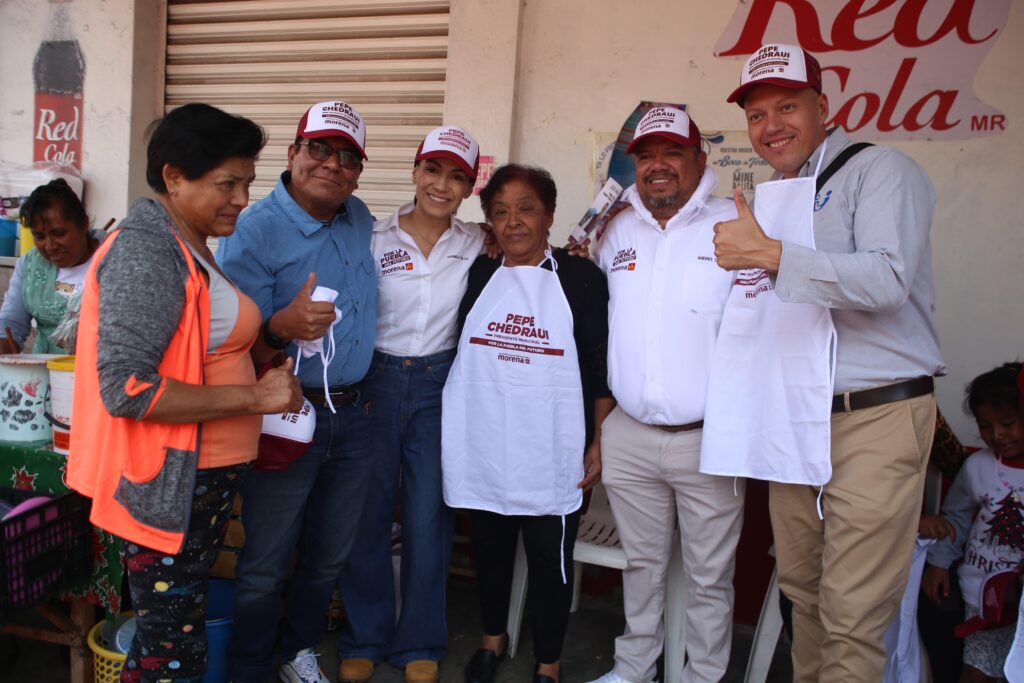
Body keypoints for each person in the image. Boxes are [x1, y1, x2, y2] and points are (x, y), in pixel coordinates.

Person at [713, 43, 944, 681]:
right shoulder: (776, 194)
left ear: (823, 107)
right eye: (757, 115)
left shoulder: (880, 170)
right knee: (803, 596)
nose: (771, 126)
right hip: (795, 414)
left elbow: (888, 280)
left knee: (853, 612)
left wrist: (772, 256)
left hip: (875, 413)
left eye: (787, 106)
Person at [65, 102, 303, 683]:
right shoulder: (148, 250)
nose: (242, 199)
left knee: (167, 639)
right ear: (174, 176)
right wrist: (255, 400)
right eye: (226, 183)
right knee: (171, 650)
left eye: (246, 182)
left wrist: (272, 346)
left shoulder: (189, 244)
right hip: (169, 482)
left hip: (200, 480)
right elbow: (127, 388)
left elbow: (206, 349)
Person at [217, 100, 378, 683]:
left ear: (358, 171)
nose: (332, 165)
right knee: (264, 559)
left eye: (347, 156)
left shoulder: (359, 215)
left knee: (328, 555)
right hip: (284, 412)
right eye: (319, 149)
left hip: (356, 411)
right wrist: (281, 324)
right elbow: (229, 340)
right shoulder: (253, 229)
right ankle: (252, 666)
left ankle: (296, 650)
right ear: (292, 154)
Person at [585, 106, 744, 683]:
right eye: (646, 155)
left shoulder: (732, 223)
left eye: (672, 153)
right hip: (629, 433)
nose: (657, 166)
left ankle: (703, 675)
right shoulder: (615, 227)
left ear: (700, 159)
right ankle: (635, 669)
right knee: (642, 565)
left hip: (710, 438)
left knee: (709, 576)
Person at [442, 164, 611, 683]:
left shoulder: (582, 278)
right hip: (485, 440)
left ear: (550, 216)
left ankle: (549, 663)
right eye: (499, 212)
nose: (512, 222)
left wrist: (598, 440)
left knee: (548, 563)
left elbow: (599, 366)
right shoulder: (477, 272)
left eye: (526, 208)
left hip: (553, 446)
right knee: (490, 550)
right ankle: (493, 639)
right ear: (488, 223)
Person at [336, 126, 484, 683]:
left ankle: (420, 638)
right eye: (433, 170)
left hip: (441, 384)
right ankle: (364, 636)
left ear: (469, 187)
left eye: (456, 176)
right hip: (374, 381)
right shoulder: (372, 237)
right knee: (367, 515)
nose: (441, 185)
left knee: (429, 518)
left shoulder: (475, 243)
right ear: (415, 171)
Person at [921, 362, 1024, 683]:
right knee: (976, 674)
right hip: (982, 599)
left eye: (1007, 423)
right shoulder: (978, 467)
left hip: (1020, 606)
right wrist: (939, 563)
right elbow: (957, 518)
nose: (997, 435)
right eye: (985, 426)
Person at [0, 179, 104, 353]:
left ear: (84, 223)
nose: (50, 246)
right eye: (40, 236)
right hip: (41, 376)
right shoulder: (29, 265)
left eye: (59, 233)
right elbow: (11, 323)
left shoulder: (114, 260)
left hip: (97, 373)